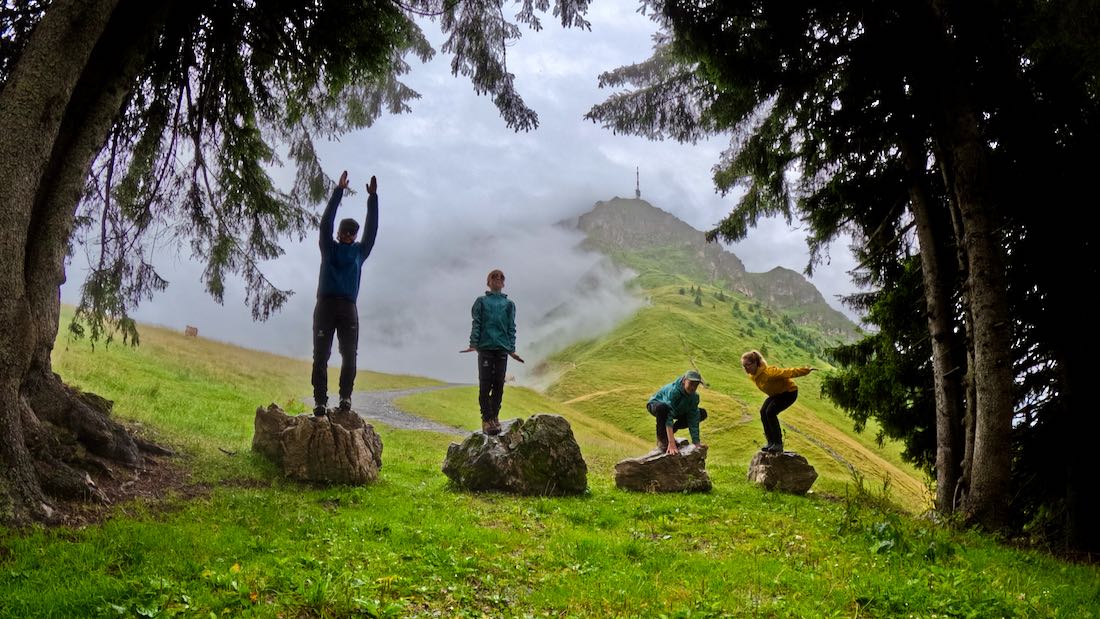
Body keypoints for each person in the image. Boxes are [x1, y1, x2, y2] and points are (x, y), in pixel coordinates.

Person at [311, 170, 379, 417]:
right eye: (346, 231)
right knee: (321, 355)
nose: (349, 235)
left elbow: (372, 232)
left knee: (349, 356)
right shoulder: (328, 247)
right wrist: (338, 191)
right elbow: (325, 223)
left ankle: (345, 397)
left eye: (353, 232)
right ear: (339, 233)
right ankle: (320, 401)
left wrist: (373, 199)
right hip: (326, 305)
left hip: (348, 307)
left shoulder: (360, 252)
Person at [460, 269, 524, 435]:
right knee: (485, 384)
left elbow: (511, 328)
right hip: (486, 348)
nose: (497, 279)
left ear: (503, 283)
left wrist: (512, 349)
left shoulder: (509, 305)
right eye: (494, 277)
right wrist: (473, 344)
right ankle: (486, 419)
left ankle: (494, 417)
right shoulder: (481, 302)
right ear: (488, 282)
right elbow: (477, 323)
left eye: (501, 277)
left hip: (502, 349)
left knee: (499, 385)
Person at [740, 350, 815, 453]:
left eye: (747, 365)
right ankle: (770, 443)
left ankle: (778, 444)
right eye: (744, 366)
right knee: (763, 412)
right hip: (776, 395)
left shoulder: (769, 373)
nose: (745, 368)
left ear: (756, 363)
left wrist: (806, 370)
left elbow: (788, 372)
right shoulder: (753, 376)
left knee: (770, 412)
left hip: (789, 392)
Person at [646, 370, 708, 455]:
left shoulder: (694, 397)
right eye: (691, 384)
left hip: (677, 410)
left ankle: (674, 429)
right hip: (656, 405)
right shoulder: (674, 392)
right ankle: (663, 440)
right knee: (663, 408)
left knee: (701, 413)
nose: (693, 387)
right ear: (684, 381)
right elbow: (669, 416)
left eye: (696, 385)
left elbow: (693, 418)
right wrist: (671, 443)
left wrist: (696, 443)